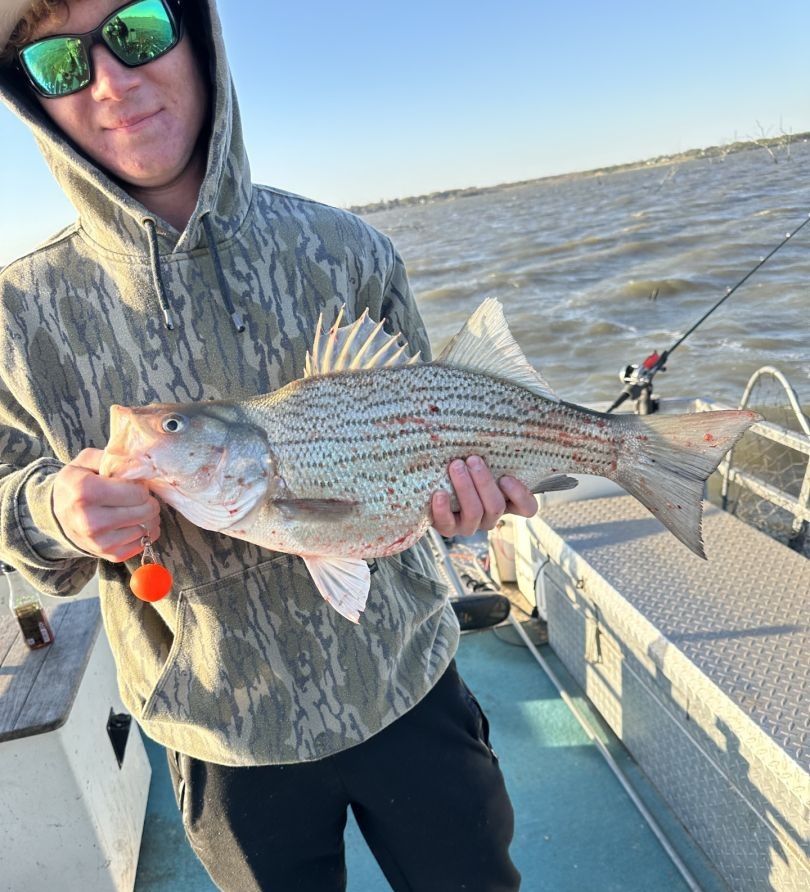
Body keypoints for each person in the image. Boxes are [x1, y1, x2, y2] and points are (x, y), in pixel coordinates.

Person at [0, 1, 536, 888]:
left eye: (135, 28)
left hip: (406, 678)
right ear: (31, 97)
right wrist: (55, 509)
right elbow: (11, 513)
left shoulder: (349, 249)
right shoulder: (16, 319)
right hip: (220, 733)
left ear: (195, 28)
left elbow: (439, 438)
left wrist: (467, 511)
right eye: (60, 63)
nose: (112, 83)